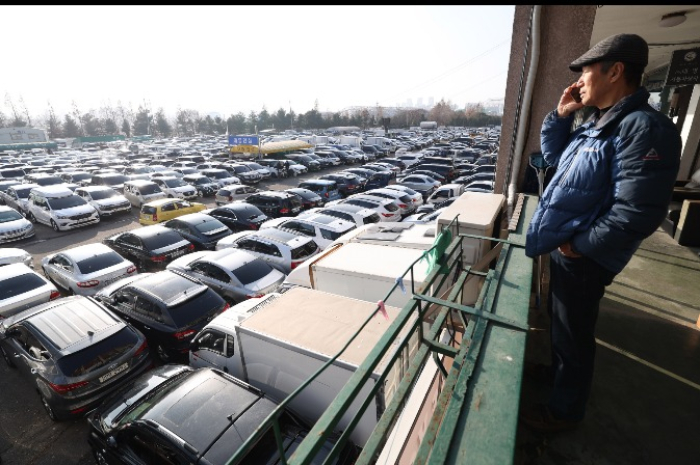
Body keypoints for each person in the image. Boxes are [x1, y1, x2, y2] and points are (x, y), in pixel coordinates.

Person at [520, 33, 682, 433]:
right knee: (564, 325)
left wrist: (579, 246)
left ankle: (564, 411)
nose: (580, 80)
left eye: (587, 70)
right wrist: (560, 116)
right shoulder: (598, 124)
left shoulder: (643, 128)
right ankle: (561, 377)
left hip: (585, 255)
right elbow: (555, 159)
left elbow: (636, 212)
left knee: (574, 333)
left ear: (616, 71)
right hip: (570, 248)